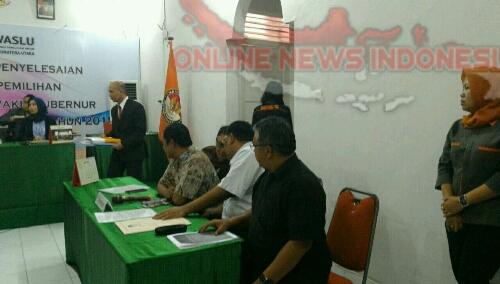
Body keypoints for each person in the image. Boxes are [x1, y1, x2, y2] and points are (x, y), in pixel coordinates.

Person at [199, 117, 331, 284]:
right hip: (260, 262)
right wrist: (231, 222)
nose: (252, 151)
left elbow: (299, 244)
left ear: (268, 151)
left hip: (293, 274)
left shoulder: (303, 186)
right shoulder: (269, 175)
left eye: (254, 146)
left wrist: (263, 280)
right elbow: (262, 210)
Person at [437, 66, 500, 284]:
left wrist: (461, 202)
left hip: (489, 224)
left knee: (470, 279)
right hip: (456, 219)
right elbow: (445, 166)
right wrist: (450, 207)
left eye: (467, 88)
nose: (461, 94)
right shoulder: (458, 127)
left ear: (485, 90)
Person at [154, 120, 264, 224]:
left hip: (239, 225)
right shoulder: (243, 155)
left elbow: (223, 192)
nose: (222, 149)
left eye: (223, 142)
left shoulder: (247, 154)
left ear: (231, 138)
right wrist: (211, 212)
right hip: (226, 220)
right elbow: (231, 198)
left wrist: (183, 210)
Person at [158, 123, 220, 206]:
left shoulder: (196, 160)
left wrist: (174, 190)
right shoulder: (177, 158)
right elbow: (160, 185)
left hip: (208, 213)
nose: (163, 147)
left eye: (164, 144)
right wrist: (166, 192)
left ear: (171, 143)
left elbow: (178, 200)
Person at [102, 81, 147, 181]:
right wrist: (107, 135)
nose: (109, 95)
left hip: (133, 153)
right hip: (118, 153)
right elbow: (116, 130)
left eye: (111, 92)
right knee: (111, 179)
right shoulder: (114, 110)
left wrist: (123, 144)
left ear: (121, 91)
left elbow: (140, 133)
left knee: (135, 183)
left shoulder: (137, 107)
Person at [201, 125, 231, 218]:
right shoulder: (206, 154)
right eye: (220, 145)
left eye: (225, 146)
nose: (222, 150)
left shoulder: (235, 162)